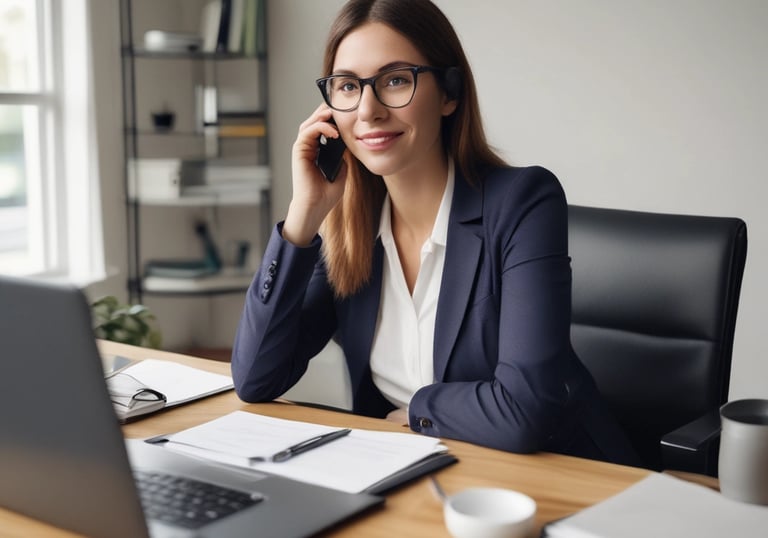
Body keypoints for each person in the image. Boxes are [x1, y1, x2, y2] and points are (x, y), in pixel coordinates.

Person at [232, 0, 639, 466]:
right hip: (420, 475)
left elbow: (525, 411)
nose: (367, 111)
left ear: (449, 94)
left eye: (396, 80)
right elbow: (255, 378)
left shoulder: (523, 201)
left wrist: (418, 411)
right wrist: (303, 217)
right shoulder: (353, 230)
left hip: (560, 477)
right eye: (347, 86)